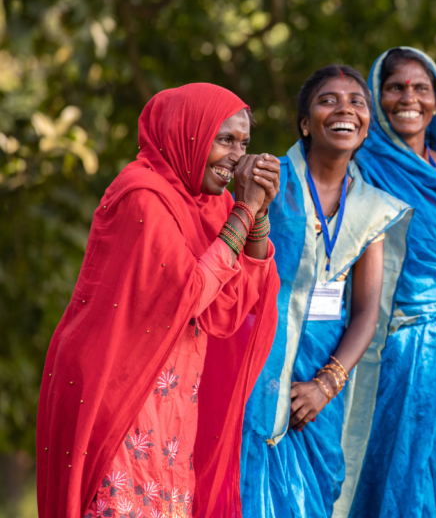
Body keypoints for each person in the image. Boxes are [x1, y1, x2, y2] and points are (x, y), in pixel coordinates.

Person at [36, 83, 282, 518]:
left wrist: (257, 215)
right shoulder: (141, 193)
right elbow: (192, 291)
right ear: (187, 133)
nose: (236, 156)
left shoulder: (211, 206)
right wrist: (243, 212)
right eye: (224, 140)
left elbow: (229, 309)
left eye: (243, 143)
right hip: (121, 391)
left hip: (174, 403)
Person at [239, 65, 411, 517]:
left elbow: (366, 315)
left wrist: (323, 387)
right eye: (328, 100)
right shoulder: (269, 180)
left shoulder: (371, 208)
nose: (344, 109)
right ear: (304, 122)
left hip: (317, 393)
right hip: (253, 373)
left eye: (356, 101)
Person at [345, 47, 436, 518]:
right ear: (377, 96)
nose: (408, 98)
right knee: (381, 475)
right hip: (377, 355)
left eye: (420, 88)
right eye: (395, 87)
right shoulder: (357, 170)